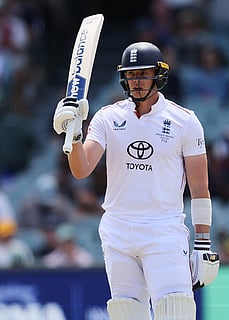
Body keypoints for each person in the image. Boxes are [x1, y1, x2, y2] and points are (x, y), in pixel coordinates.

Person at [52, 41, 219, 320]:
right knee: (128, 312)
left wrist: (202, 244)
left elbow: (200, 188)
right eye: (131, 74)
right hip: (118, 229)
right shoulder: (107, 117)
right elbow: (81, 169)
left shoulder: (185, 121)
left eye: (143, 73)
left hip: (163, 230)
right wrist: (74, 133)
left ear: (158, 75)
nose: (137, 81)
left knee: (176, 311)